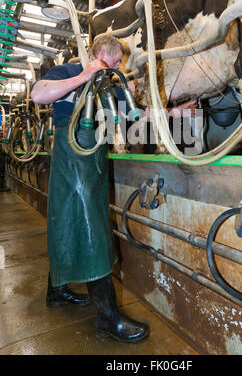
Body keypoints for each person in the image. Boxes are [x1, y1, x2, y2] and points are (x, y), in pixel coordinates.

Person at [31, 34, 149, 343]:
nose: (117, 67)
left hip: (93, 161)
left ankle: (56, 292)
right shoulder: (69, 71)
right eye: (115, 61)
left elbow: (133, 118)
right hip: (72, 156)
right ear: (102, 55)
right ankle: (108, 317)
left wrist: (173, 115)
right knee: (91, 230)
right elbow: (38, 95)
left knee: (69, 224)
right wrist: (84, 76)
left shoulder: (111, 87)